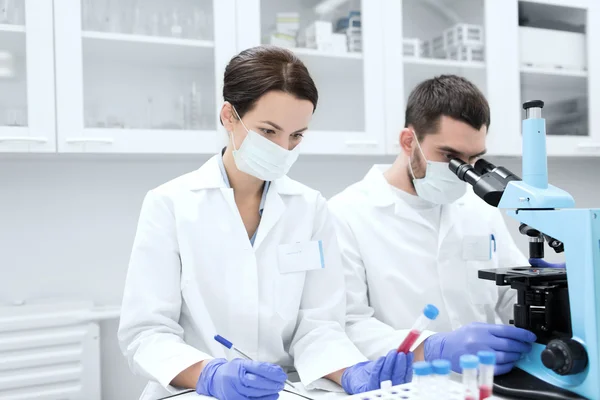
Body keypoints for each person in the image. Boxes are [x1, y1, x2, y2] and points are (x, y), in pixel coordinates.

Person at [118, 45, 413, 400]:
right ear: (229, 116)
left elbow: (317, 324)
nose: (284, 148)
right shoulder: (171, 204)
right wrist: (210, 374)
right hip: (195, 392)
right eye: (268, 131)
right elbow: (146, 333)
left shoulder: (310, 208)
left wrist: (351, 371)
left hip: (286, 391)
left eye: (296, 135)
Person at [328, 75, 541, 375]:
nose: (463, 172)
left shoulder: (479, 205)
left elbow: (509, 295)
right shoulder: (346, 213)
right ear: (407, 142)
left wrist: (547, 292)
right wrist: (432, 347)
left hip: (486, 383)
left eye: (474, 159)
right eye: (450, 157)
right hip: (409, 385)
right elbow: (349, 324)